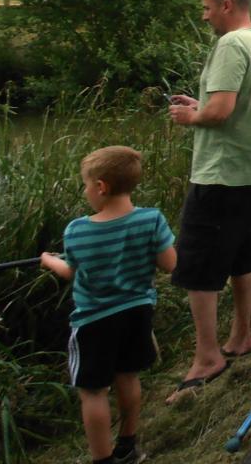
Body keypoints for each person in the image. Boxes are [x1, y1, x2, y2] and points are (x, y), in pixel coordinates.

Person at [167, 0, 251, 402]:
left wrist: (191, 116)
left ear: (227, 5)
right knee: (241, 253)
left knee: (199, 267)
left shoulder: (232, 45)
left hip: (222, 172)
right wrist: (201, 107)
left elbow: (221, 111)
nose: (205, 15)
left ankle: (208, 356)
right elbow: (241, 106)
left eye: (208, 8)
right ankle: (241, 336)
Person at [41, 146, 177, 464]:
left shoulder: (77, 230)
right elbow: (170, 264)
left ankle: (102, 460)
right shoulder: (152, 219)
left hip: (93, 322)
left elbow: (70, 272)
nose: (86, 192)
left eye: (86, 185)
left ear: (100, 186)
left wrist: (48, 260)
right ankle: (127, 446)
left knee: (92, 391)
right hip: (138, 313)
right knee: (128, 376)